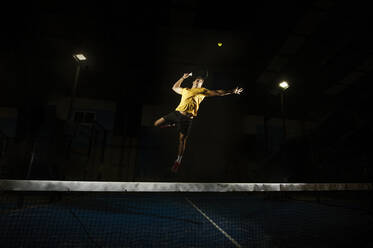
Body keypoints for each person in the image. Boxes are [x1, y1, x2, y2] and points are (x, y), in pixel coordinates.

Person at [154, 72, 243, 173]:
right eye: (197, 80)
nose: (198, 82)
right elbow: (174, 87)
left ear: (202, 84)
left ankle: (178, 161)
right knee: (157, 124)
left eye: (200, 82)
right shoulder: (185, 90)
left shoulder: (202, 91)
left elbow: (219, 92)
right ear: (193, 81)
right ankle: (172, 124)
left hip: (187, 119)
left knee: (182, 140)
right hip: (177, 114)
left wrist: (232, 91)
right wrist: (182, 78)